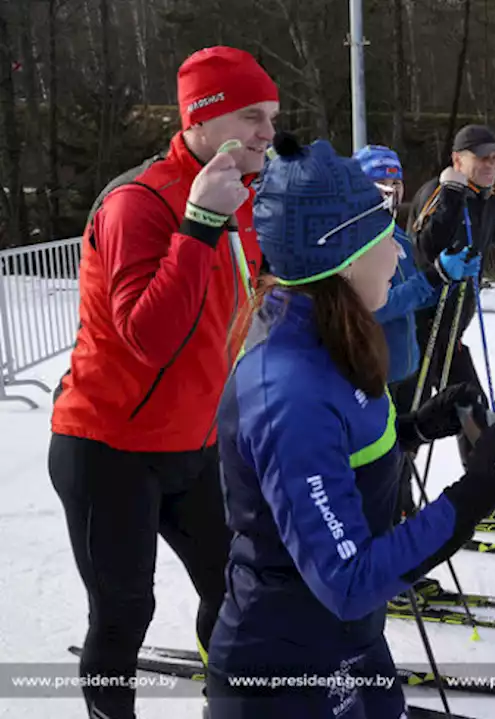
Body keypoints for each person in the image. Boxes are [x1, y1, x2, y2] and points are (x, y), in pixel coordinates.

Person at [206, 133, 495, 718]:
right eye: (380, 240)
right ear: (337, 256)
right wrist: (480, 488)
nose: (397, 253)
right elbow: (350, 577)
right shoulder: (289, 389)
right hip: (286, 672)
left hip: (350, 647)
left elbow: (346, 460)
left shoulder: (333, 338)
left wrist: (419, 426)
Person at [47, 46, 277, 718]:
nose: (268, 131)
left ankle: (228, 700)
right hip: (109, 445)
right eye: (252, 116)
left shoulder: (243, 194)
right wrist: (200, 222)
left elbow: (246, 300)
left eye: (272, 116)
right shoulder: (138, 202)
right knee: (124, 611)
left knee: (235, 587)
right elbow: (149, 338)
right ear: (203, 120)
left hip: (193, 442)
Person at [353, 144, 482, 519]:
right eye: (379, 185)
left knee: (403, 454)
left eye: (396, 184)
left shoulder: (398, 237)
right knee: (383, 462)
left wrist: (451, 280)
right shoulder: (356, 242)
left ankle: (402, 519)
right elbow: (379, 306)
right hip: (376, 372)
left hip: (407, 368)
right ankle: (393, 528)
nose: (390, 193)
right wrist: (434, 277)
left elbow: (417, 299)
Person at [406, 125, 495, 439]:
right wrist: (451, 193)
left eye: (494, 158)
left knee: (474, 411)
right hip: (419, 333)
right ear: (457, 160)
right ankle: (396, 484)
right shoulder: (438, 192)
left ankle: (484, 482)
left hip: (452, 334)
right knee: (412, 423)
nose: (490, 164)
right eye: (480, 157)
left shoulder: (485, 199)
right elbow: (426, 247)